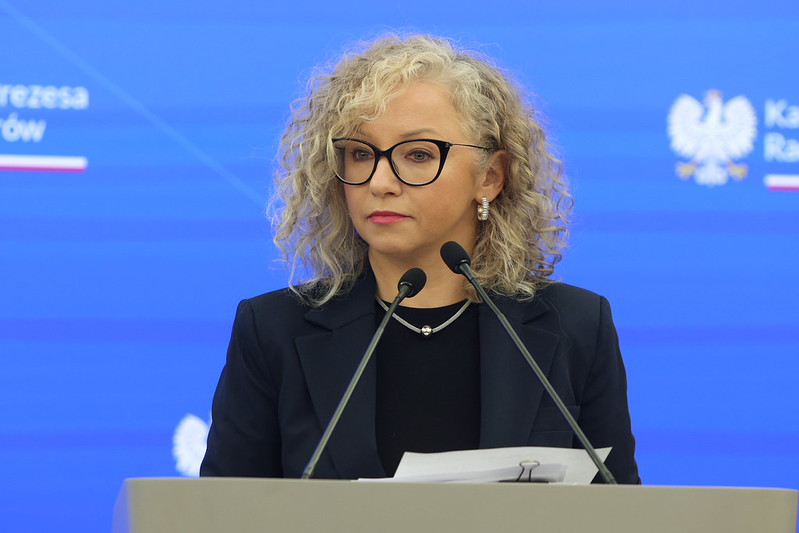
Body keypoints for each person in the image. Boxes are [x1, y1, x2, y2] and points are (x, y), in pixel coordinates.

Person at [200, 34, 640, 483]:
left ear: (490, 177)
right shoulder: (273, 331)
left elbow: (621, 509)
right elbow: (220, 511)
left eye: (418, 154)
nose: (380, 182)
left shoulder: (576, 327)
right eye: (361, 154)